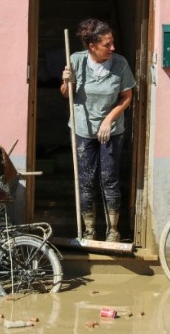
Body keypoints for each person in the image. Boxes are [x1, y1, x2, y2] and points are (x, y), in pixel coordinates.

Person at [61, 19, 136, 242]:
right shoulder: (76, 60)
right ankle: (89, 230)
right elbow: (67, 95)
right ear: (92, 46)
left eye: (112, 42)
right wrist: (66, 82)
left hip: (111, 130)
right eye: (107, 44)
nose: (112, 47)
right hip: (83, 128)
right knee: (86, 179)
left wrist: (108, 119)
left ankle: (113, 230)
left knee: (109, 178)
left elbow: (127, 97)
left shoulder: (120, 64)